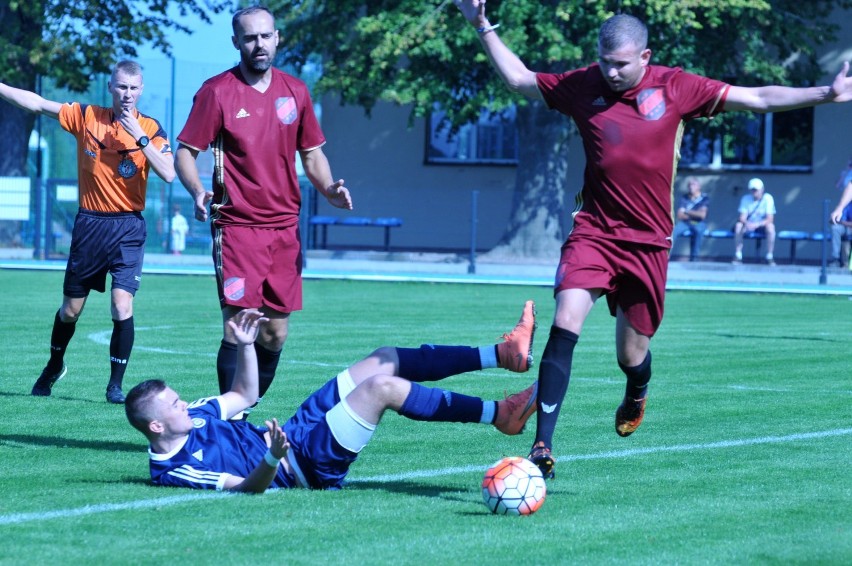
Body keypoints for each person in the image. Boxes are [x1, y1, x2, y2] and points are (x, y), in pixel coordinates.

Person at [454, 0, 852, 479]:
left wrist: (826, 94)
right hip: (595, 232)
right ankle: (543, 445)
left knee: (630, 355)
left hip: (648, 244)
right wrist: (481, 24)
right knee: (565, 322)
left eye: (620, 63)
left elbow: (759, 98)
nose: (611, 71)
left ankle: (638, 387)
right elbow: (519, 79)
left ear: (645, 57)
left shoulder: (677, 86)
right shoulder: (584, 86)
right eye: (604, 61)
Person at [125, 302, 538, 492]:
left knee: (384, 360)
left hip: (295, 431)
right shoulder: (174, 469)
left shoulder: (195, 415)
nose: (186, 405)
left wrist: (246, 345)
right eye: (176, 405)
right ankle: (501, 414)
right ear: (156, 426)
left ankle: (503, 354)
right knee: (381, 390)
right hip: (303, 465)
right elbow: (245, 489)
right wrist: (272, 457)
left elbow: (244, 394)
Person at [174, 6, 353, 411]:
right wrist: (198, 191)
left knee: (274, 334)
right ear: (236, 42)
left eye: (265, 36)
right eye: (249, 37)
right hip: (237, 227)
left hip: (285, 228)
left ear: (277, 39)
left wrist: (328, 188)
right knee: (241, 327)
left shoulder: (296, 91)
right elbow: (186, 153)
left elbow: (312, 154)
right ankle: (230, 421)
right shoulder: (217, 91)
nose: (259, 44)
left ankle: (242, 408)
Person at [0, 61, 176, 404]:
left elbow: (169, 173)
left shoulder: (151, 128)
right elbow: (36, 103)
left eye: (133, 88)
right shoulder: (87, 116)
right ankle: (54, 365)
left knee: (121, 305)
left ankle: (114, 385)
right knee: (70, 310)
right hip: (90, 225)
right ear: (110, 87)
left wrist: (139, 138)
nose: (127, 94)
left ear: (141, 90)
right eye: (121, 87)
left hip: (129, 227)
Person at [733, 178, 777, 266]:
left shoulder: (768, 198)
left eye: (756, 189)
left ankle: (769, 256)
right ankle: (738, 255)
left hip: (761, 226)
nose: (754, 192)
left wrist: (757, 224)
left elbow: (770, 218)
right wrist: (748, 224)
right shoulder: (746, 199)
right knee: (738, 226)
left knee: (771, 228)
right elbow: (742, 217)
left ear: (762, 189)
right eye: (752, 189)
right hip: (749, 225)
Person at [671, 177, 709, 261]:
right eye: (689, 185)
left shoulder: (704, 198)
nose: (690, 187)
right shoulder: (684, 197)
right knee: (673, 231)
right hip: (686, 223)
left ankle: (694, 260)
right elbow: (680, 215)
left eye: (693, 184)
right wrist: (695, 213)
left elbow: (702, 215)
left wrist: (687, 211)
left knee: (699, 231)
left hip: (698, 223)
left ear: (699, 187)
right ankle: (666, 256)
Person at [829, 159, 852, 267]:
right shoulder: (848, 204)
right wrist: (839, 208)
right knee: (836, 229)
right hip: (847, 228)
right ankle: (836, 259)